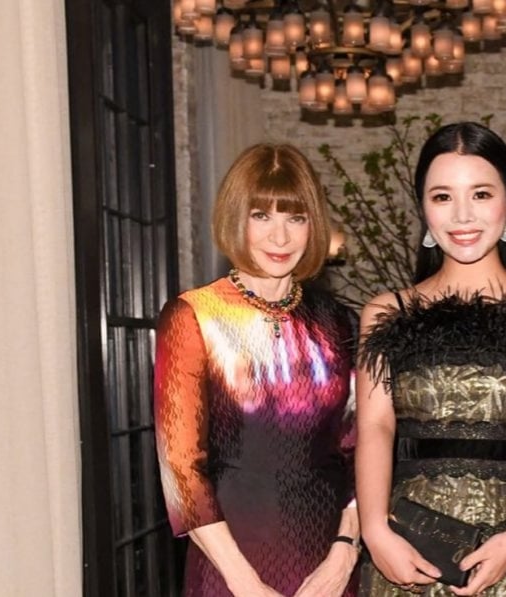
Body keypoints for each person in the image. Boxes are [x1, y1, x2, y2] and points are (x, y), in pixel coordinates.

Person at [354, 122, 506, 596]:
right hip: (408, 553)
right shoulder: (385, 312)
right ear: (424, 210)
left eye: (480, 194)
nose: (462, 215)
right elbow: (375, 428)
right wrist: (375, 532)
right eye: (442, 197)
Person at [154, 143, 360, 596]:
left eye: (295, 217)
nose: (280, 237)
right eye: (261, 216)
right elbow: (181, 469)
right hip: (228, 562)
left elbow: (360, 452)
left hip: (327, 564)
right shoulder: (193, 317)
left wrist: (345, 551)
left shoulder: (341, 322)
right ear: (235, 218)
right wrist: (245, 583)